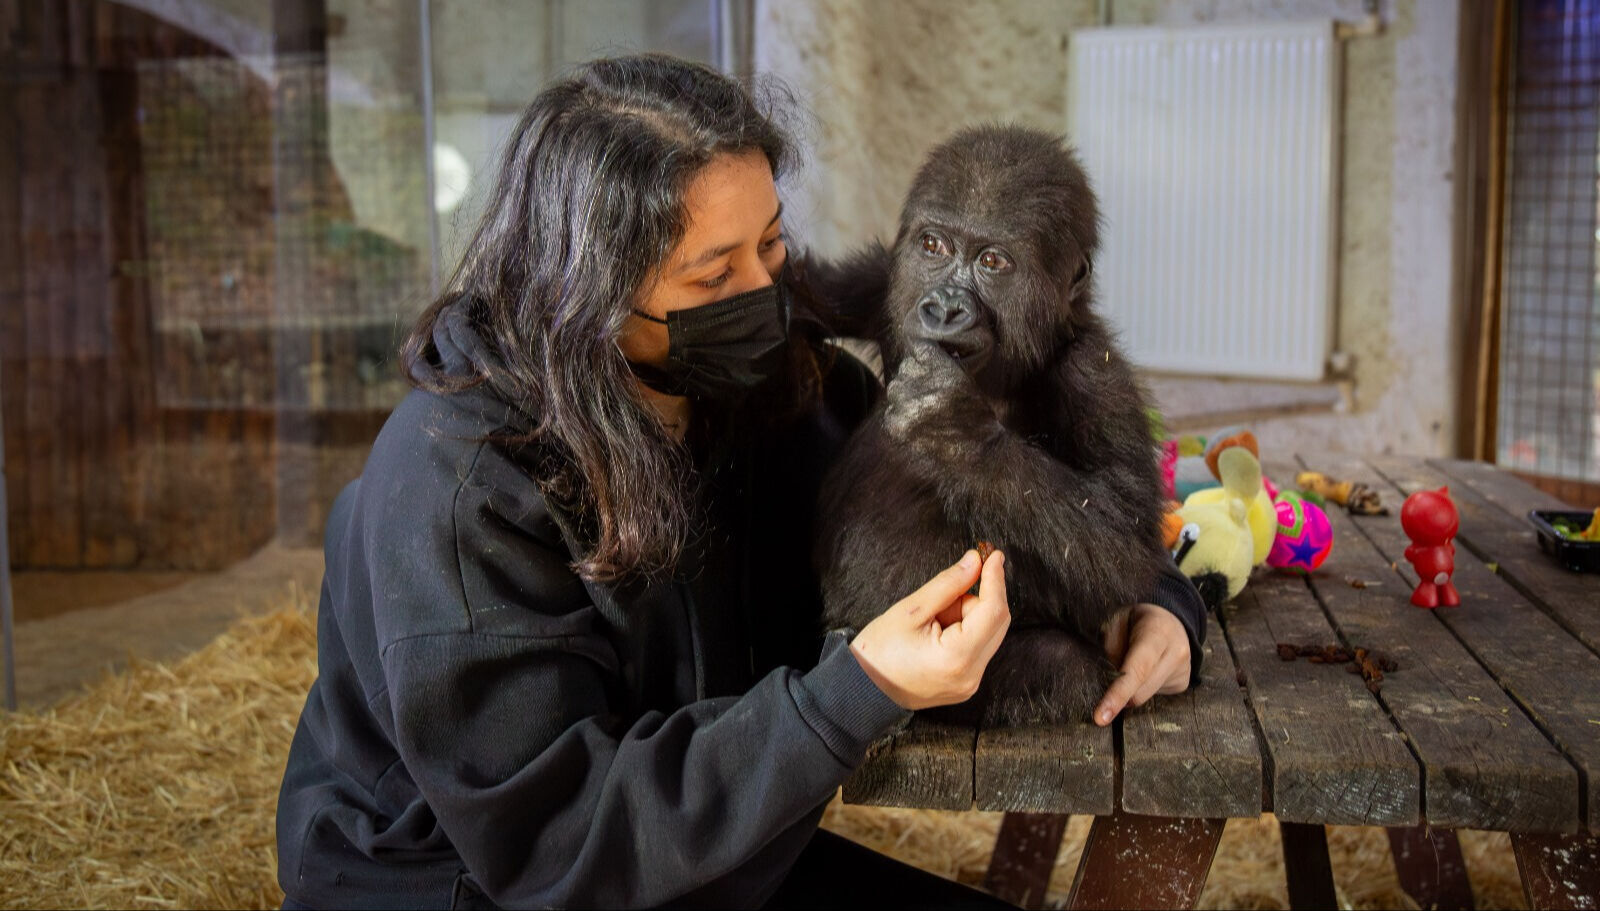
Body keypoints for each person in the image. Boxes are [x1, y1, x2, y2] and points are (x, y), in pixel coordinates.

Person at [274, 54, 1204, 910]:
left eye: (771, 246)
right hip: (474, 884)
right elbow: (553, 840)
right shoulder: (456, 487)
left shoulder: (769, 388)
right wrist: (860, 687)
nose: (766, 296)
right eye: (715, 272)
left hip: (697, 854)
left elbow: (1026, 502)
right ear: (585, 292)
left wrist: (1158, 600)